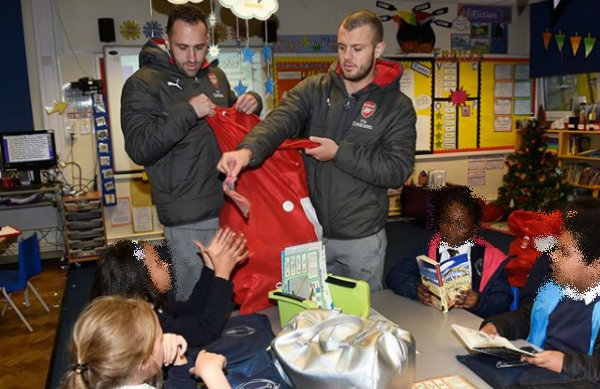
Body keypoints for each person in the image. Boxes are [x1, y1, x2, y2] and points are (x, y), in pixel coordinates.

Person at [217, 10, 416, 291]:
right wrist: (246, 152)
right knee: (305, 313)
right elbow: (280, 121)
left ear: (378, 49)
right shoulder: (315, 89)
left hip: (361, 240)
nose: (347, 57)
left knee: (359, 321)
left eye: (357, 49)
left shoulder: (397, 107)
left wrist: (339, 153)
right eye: (342, 47)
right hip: (308, 234)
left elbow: (396, 170)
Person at [121, 4, 262, 301]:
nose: (193, 57)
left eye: (199, 47)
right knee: (193, 299)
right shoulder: (143, 83)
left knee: (224, 293)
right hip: (186, 215)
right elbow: (139, 147)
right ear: (168, 42)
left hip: (228, 205)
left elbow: (234, 119)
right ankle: (188, 348)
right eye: (183, 47)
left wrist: (252, 102)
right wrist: (187, 112)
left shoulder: (214, 77)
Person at [481, 198, 600, 381]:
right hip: (534, 376)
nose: (553, 257)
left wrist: (565, 362)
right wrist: (499, 325)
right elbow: (532, 315)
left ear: (595, 266)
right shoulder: (555, 286)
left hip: (575, 387)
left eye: (564, 252)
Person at [51, 295, 238, 389]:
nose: (165, 338)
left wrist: (177, 359)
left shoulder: (97, 379)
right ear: (143, 362)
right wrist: (213, 375)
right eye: (159, 338)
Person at [93, 227, 247, 347]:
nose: (166, 265)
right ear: (142, 280)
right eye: (159, 264)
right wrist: (222, 276)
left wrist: (209, 268)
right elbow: (206, 329)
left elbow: (191, 310)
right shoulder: (148, 324)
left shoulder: (150, 303)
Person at [386, 186, 513, 318]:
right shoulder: (428, 246)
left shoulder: (490, 258)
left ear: (474, 228)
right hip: (432, 318)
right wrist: (415, 289)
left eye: (460, 225)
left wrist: (478, 302)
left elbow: (503, 302)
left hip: (472, 324)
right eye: (446, 222)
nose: (451, 229)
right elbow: (395, 275)